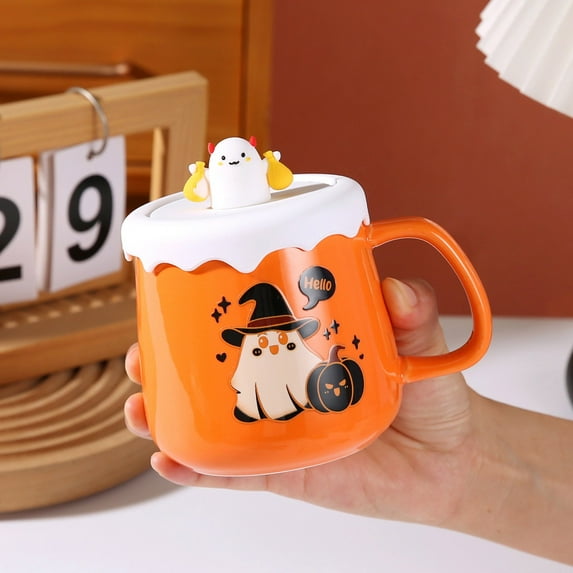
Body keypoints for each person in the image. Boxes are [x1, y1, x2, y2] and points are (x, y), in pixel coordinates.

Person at [124, 277, 573, 565]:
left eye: (280, 340)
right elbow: (243, 383)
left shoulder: (305, 364)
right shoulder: (249, 369)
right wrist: (461, 460)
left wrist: (463, 465)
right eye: (261, 342)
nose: (272, 347)